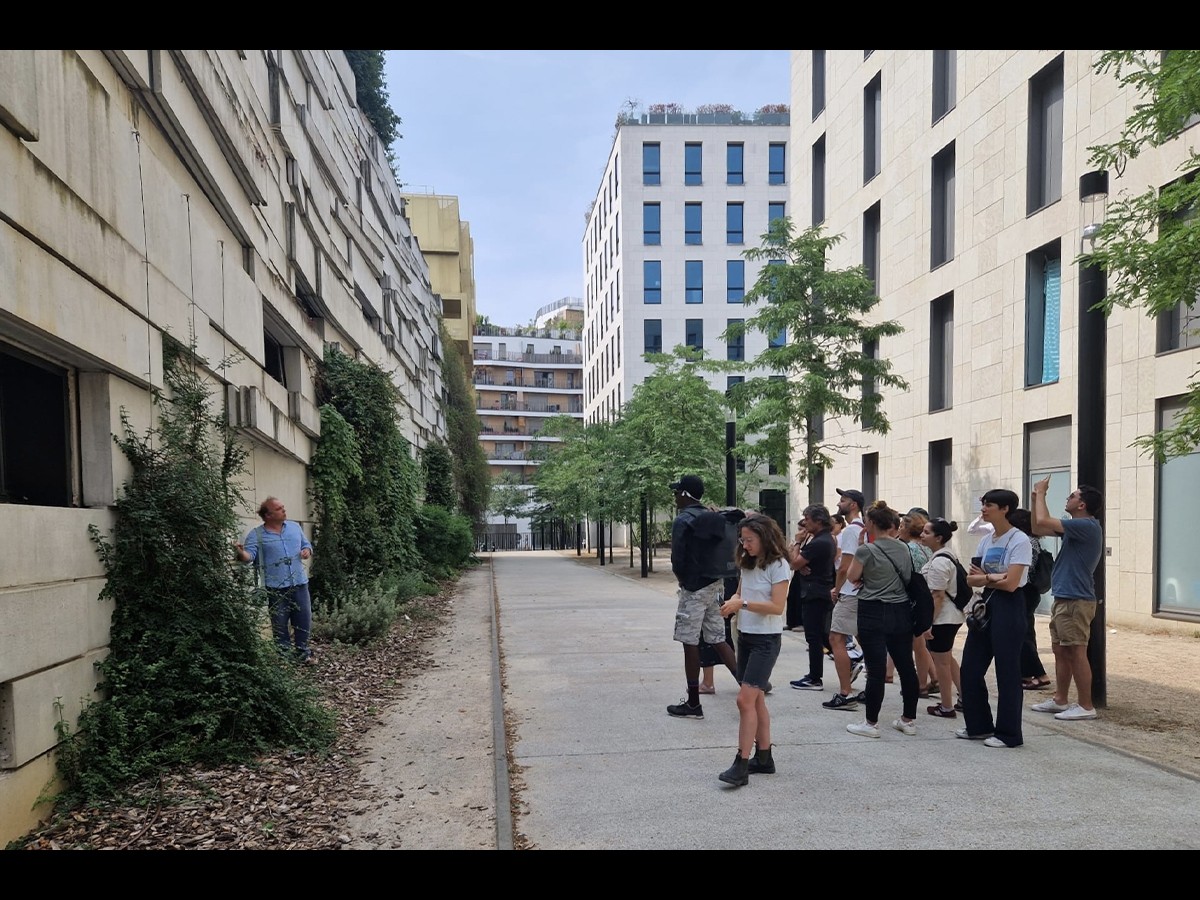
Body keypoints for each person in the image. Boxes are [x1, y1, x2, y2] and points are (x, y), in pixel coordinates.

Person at [716, 514, 790, 786]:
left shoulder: (779, 565)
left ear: (765, 537)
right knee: (756, 700)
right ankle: (764, 756)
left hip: (766, 639)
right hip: (745, 635)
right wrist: (732, 602)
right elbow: (740, 592)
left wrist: (742, 605)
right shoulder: (747, 563)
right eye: (742, 540)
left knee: (744, 700)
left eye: (750, 540)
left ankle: (741, 763)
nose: (744, 545)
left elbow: (777, 607)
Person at [958, 489, 1032, 748]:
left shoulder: (1019, 540)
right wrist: (992, 578)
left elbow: (1012, 583)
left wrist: (988, 578)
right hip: (987, 602)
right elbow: (970, 578)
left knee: (1007, 670)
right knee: (970, 668)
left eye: (989, 505)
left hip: (1010, 606)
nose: (984, 509)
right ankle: (978, 726)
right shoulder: (987, 539)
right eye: (984, 504)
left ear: (1005, 509)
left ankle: (1008, 734)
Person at [843, 501, 920, 738]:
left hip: (872, 610)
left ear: (872, 523)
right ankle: (908, 719)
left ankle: (871, 723)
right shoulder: (904, 548)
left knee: (876, 669)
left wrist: (860, 548)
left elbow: (852, 576)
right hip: (900, 611)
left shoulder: (866, 550)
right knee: (906, 665)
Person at [1030, 478, 1104, 720]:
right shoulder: (1075, 527)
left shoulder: (1087, 526)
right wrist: (1035, 498)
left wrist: (1041, 493)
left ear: (1081, 504)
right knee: (1061, 650)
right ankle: (1060, 700)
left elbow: (1042, 521)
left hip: (1076, 600)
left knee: (1076, 652)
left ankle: (1085, 706)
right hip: (1065, 597)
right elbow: (1038, 528)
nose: (1067, 498)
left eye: (1072, 496)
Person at [666, 475, 738, 719]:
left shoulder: (684, 520)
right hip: (716, 585)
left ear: (685, 494)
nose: (675, 497)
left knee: (690, 641)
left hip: (694, 588)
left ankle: (693, 703)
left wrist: (682, 581)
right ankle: (750, 688)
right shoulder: (712, 517)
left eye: (677, 493)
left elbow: (678, 559)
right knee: (718, 638)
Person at [235, 496, 314, 662]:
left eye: (283, 507)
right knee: (279, 624)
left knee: (304, 620)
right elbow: (249, 556)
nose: (284, 510)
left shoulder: (294, 527)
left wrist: (307, 550)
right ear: (268, 515)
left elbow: (306, 545)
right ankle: (284, 658)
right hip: (275, 588)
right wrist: (241, 553)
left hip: (299, 583)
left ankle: (303, 654)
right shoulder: (256, 535)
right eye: (279, 509)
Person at [823, 488, 867, 712]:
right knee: (865, 640)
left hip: (850, 592)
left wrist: (837, 589)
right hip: (863, 592)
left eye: (843, 499)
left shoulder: (851, 531)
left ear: (853, 505)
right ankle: (871, 686)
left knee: (836, 638)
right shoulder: (865, 529)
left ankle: (845, 693)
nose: (839, 502)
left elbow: (845, 566)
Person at [918, 517, 965, 717]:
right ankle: (965, 697)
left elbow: (937, 595)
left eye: (927, 532)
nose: (922, 535)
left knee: (942, 663)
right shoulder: (945, 556)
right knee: (947, 659)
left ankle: (946, 706)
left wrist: (928, 622)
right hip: (949, 617)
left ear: (938, 538)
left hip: (942, 619)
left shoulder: (939, 562)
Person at [789, 505, 837, 691]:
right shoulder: (824, 539)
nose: (804, 523)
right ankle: (848, 661)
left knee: (814, 636)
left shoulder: (819, 542)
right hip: (817, 590)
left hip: (814, 592)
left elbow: (794, 562)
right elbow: (800, 564)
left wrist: (797, 543)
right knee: (821, 635)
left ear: (818, 520)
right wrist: (801, 565)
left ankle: (815, 677)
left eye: (807, 519)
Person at [700, 507, 747, 694]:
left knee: (709, 635)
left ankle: (708, 682)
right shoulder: (744, 539)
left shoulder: (716, 534)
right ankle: (747, 678)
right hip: (735, 588)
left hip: (717, 588)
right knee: (734, 636)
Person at [1008, 508, 1052, 691]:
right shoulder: (1031, 540)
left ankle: (1040, 674)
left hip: (1025, 590)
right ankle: (1026, 673)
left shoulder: (1026, 542)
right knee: (1026, 632)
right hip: (1029, 591)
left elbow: (1024, 570)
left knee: (1022, 634)